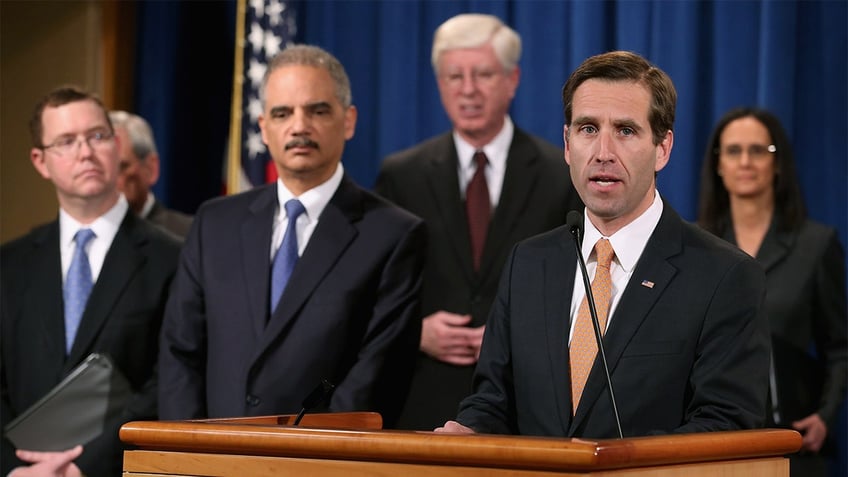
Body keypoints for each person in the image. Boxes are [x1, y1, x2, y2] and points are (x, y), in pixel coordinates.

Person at [436, 50, 771, 437]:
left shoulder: (725, 276)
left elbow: (723, 424)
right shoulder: (528, 263)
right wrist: (469, 431)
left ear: (662, 148)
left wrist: (610, 463)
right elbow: (494, 400)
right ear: (566, 143)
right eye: (588, 129)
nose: (603, 154)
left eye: (625, 131)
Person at [158, 45, 426, 427]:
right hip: (211, 459)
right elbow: (179, 353)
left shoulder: (394, 235)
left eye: (317, 111)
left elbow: (377, 375)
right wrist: (190, 452)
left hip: (321, 463)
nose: (299, 126)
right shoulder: (214, 222)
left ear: (348, 121)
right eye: (282, 113)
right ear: (264, 128)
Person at [375, 13, 582, 430]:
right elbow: (376, 288)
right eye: (454, 76)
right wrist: (413, 331)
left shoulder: (561, 172)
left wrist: (516, 334)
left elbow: (580, 281)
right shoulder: (401, 174)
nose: (467, 90)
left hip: (523, 399)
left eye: (483, 74)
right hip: (422, 395)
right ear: (439, 84)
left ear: (513, 79)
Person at [1, 86, 181, 475]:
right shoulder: (9, 265)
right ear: (40, 161)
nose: (85, 152)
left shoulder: (174, 258)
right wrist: (15, 468)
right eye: (66, 142)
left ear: (117, 146)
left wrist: (85, 465)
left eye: (97, 136)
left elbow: (168, 381)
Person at [697, 107, 847, 476]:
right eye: (733, 151)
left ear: (778, 164)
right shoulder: (694, 247)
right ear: (718, 164)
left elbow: (841, 347)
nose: (745, 161)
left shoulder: (817, 244)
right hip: (713, 449)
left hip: (792, 447)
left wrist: (826, 416)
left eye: (759, 150)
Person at [109, 110, 193, 238]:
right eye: (102, 169)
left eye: (121, 167)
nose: (108, 179)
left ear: (150, 169)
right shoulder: (80, 234)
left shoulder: (187, 235)